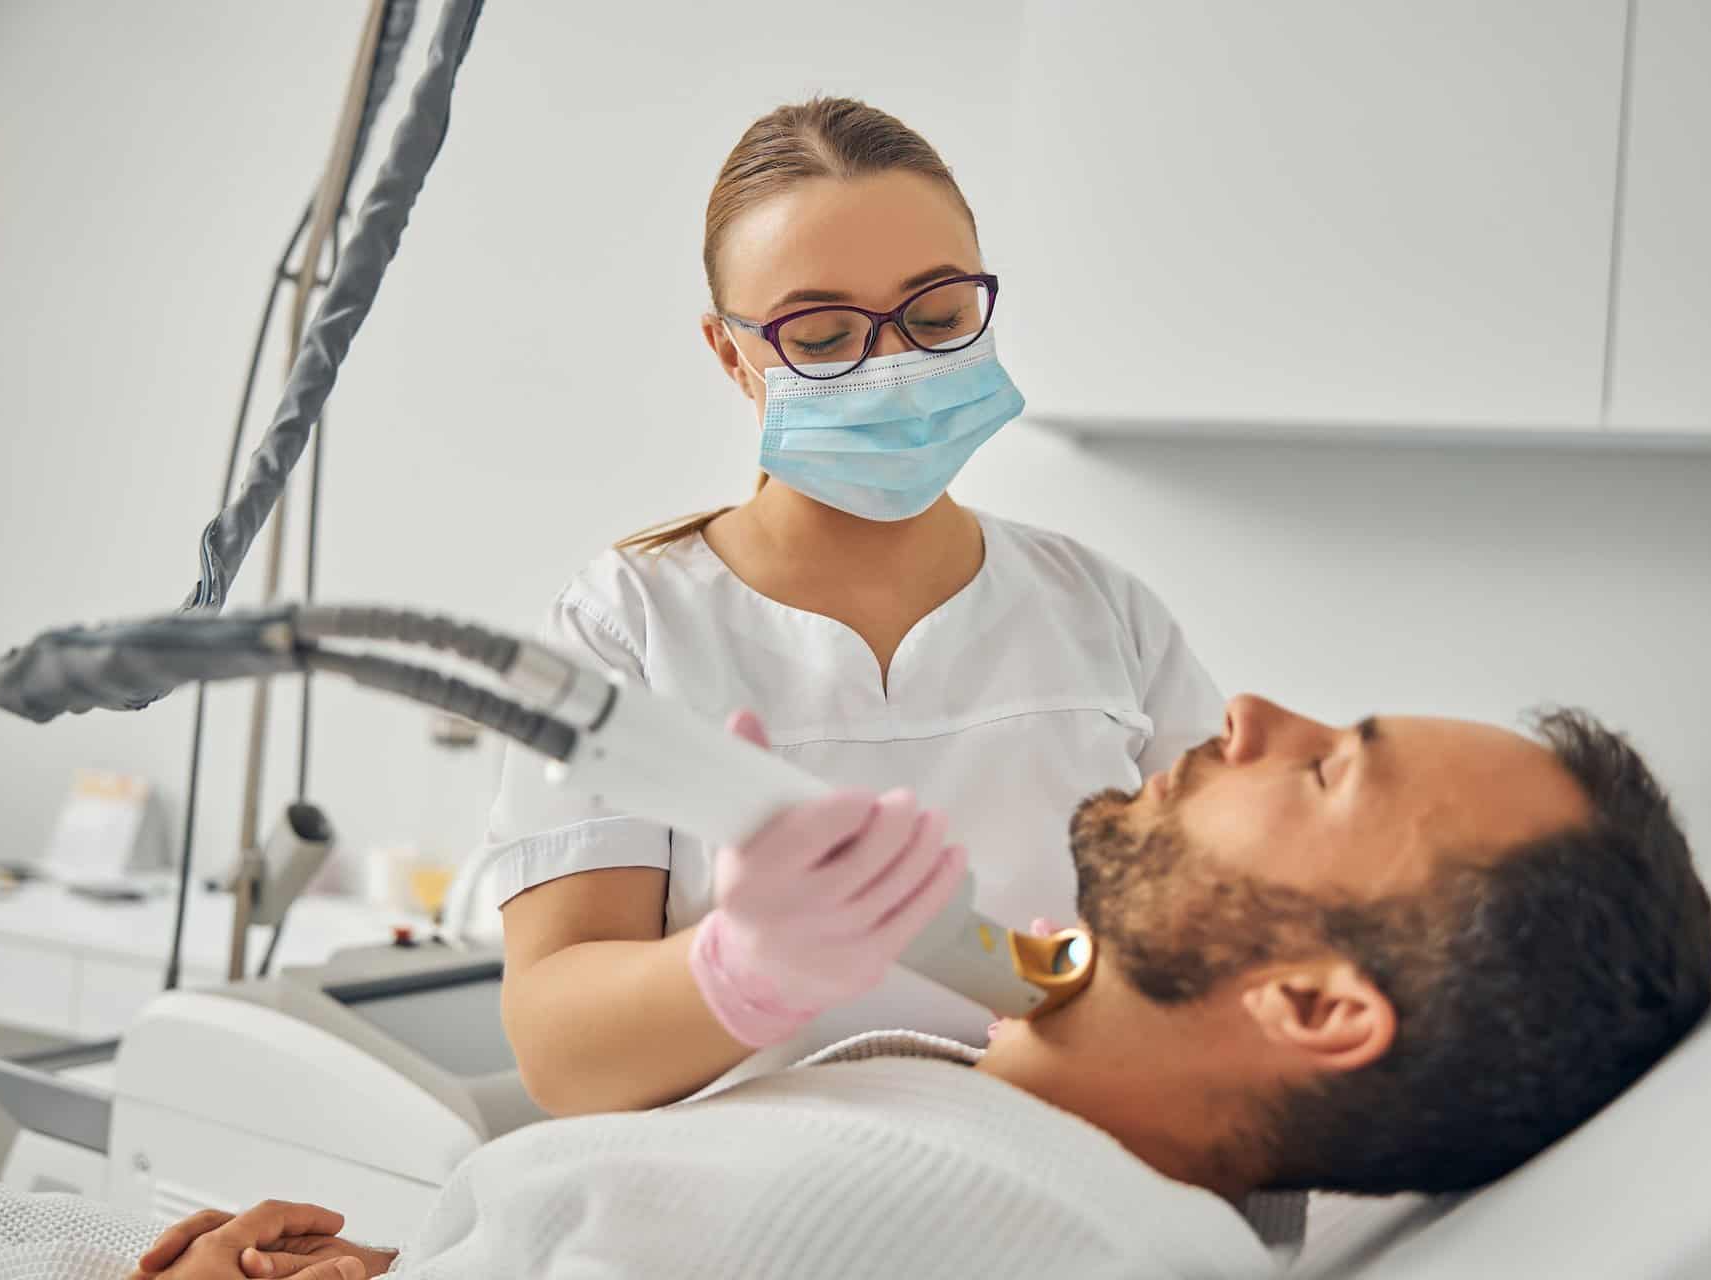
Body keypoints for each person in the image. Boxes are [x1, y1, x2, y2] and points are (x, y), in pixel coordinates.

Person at [115, 695, 1711, 1280]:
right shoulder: (1001, 1124)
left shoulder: (954, 1225)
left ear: (1314, 1009)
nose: (1248, 712)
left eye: (1321, 773)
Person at [488, 95, 1231, 1115]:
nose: (892, 366)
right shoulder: (633, 625)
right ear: (729, 354)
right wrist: (740, 967)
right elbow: (565, 1058)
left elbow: (1223, 947)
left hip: (1061, 1181)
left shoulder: (1103, 614)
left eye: (936, 317)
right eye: (824, 335)